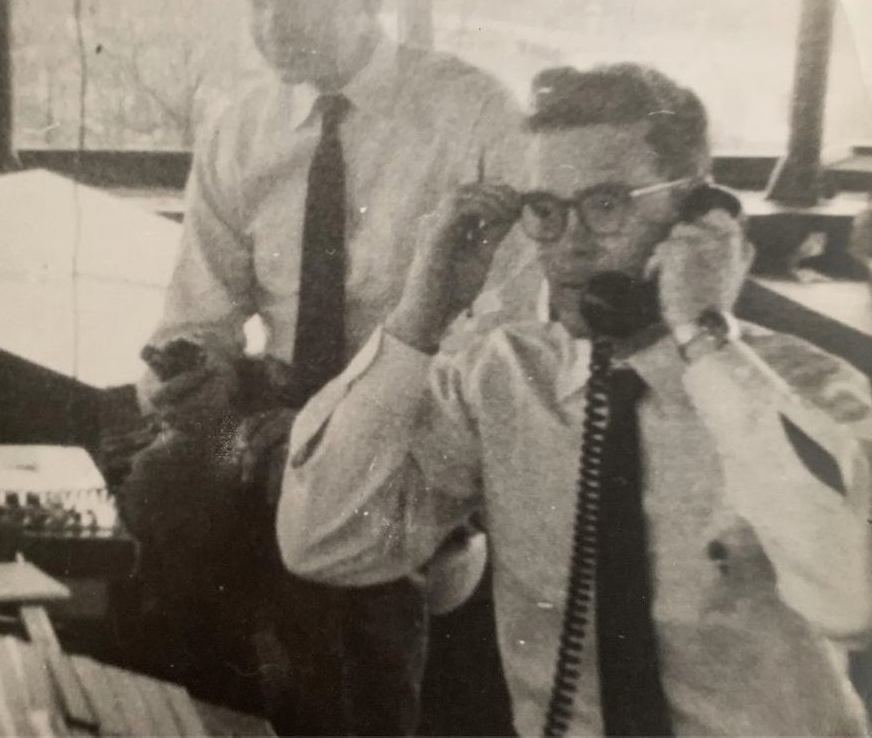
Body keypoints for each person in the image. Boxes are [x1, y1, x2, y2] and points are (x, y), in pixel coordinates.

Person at [277, 63, 872, 736]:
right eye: (546, 212)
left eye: (609, 204)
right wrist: (420, 316)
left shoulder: (806, 388)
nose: (572, 244)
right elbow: (322, 542)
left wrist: (706, 344)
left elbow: (856, 598)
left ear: (696, 214)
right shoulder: (499, 378)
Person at [117, 0, 529, 734]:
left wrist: (350, 424)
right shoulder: (241, 128)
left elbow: (510, 330)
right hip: (277, 411)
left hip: (422, 411)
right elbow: (194, 321)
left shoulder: (473, 113)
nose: (268, 23)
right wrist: (188, 374)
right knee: (161, 489)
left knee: (337, 544)